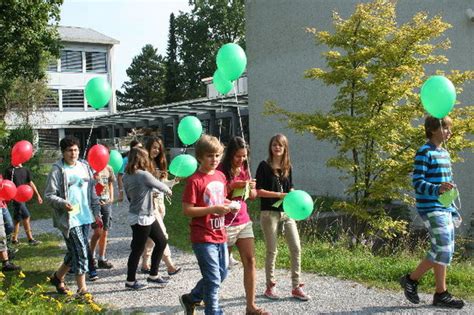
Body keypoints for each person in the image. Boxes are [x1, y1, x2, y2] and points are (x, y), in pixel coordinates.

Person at [400, 115, 464, 309]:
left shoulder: (444, 153)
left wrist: (451, 204)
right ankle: (412, 279)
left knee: (443, 249)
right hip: (430, 207)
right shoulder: (424, 152)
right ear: (434, 129)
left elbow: (446, 184)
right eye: (446, 128)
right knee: (443, 247)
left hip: (445, 207)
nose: (449, 132)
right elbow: (417, 182)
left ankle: (440, 293)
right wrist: (437, 189)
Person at [179, 134, 233, 315]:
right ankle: (213, 311)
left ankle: (192, 298)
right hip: (203, 236)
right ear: (200, 157)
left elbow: (220, 199)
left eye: (217, 155)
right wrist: (213, 209)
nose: (214, 159)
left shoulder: (220, 175)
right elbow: (187, 210)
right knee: (212, 279)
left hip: (220, 234)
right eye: (210, 156)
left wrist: (228, 205)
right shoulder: (195, 180)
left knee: (222, 274)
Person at [44, 135, 102, 296]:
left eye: (75, 150)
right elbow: (48, 195)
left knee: (73, 252)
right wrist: (63, 203)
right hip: (70, 219)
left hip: (85, 216)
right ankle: (82, 290)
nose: (73, 153)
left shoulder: (84, 166)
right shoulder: (58, 170)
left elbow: (92, 192)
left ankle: (57, 277)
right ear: (63, 152)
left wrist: (97, 213)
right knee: (82, 251)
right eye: (69, 150)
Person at [255, 133, 309, 301]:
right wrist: (279, 194)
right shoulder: (264, 166)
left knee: (296, 247)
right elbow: (257, 191)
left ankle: (296, 286)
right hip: (269, 213)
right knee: (272, 250)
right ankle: (270, 287)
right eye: (274, 145)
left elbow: (290, 188)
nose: (277, 147)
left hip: (287, 212)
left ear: (285, 148)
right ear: (270, 148)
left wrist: (295, 196)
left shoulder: (288, 167)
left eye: (280, 145)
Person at [218, 136, 267, 315]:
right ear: (230, 154)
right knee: (220, 267)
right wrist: (233, 185)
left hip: (243, 220)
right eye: (238, 156)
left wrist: (251, 189)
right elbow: (217, 193)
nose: (241, 160)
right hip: (225, 223)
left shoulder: (245, 167)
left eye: (244, 156)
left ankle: (251, 306)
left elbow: (252, 195)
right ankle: (200, 296)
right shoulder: (220, 170)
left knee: (250, 260)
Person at [123, 147, 172, 290]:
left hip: (141, 215)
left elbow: (130, 195)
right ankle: (130, 281)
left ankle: (153, 275)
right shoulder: (144, 175)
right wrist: (169, 190)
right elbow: (161, 186)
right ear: (142, 159)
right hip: (142, 217)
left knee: (161, 241)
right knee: (137, 249)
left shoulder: (126, 176)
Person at [140, 136, 181, 276]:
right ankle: (170, 265)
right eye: (154, 147)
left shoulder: (160, 164)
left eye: (158, 148)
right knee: (162, 234)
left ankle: (145, 263)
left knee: (152, 236)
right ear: (148, 148)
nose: (156, 150)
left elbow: (163, 185)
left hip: (160, 204)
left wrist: (173, 182)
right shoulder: (143, 165)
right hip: (149, 204)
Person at [4, 163, 43, 245]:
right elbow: (6, 184)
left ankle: (14, 239)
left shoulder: (25, 170)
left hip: (23, 198)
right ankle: (30, 239)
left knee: (17, 219)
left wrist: (38, 195)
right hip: (15, 198)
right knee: (26, 215)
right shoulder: (10, 170)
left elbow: (30, 183)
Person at [90, 159, 115, 269]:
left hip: (106, 203)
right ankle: (91, 258)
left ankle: (102, 258)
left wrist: (111, 197)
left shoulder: (109, 168)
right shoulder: (90, 169)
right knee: (97, 232)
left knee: (105, 231)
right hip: (95, 204)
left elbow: (110, 184)